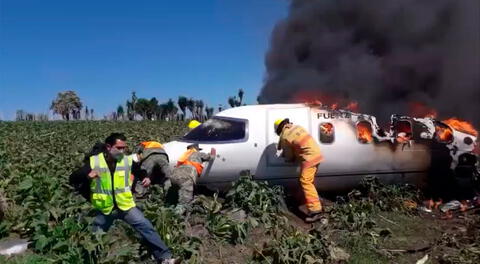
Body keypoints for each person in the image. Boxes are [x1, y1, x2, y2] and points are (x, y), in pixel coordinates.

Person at [70, 133, 177, 264]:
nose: (122, 151)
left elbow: (139, 170)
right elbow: (73, 178)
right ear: (108, 147)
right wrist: (88, 176)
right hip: (104, 208)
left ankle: (165, 258)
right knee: (94, 239)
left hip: (125, 205)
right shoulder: (94, 162)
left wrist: (145, 177)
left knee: (146, 226)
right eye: (119, 148)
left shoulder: (126, 161)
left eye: (124, 148)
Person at [274, 118, 324, 223]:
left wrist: (288, 158)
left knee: (305, 181)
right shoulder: (297, 127)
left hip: (309, 157)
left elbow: (289, 156)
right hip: (316, 154)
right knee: (308, 181)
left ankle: (316, 211)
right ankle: (314, 203)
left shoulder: (285, 136)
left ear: (279, 130)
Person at [170, 143, 213, 214]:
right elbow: (210, 157)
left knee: (175, 197)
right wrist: (212, 153)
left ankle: (171, 208)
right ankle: (174, 219)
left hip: (174, 176)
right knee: (184, 203)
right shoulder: (198, 154)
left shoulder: (184, 155)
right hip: (185, 177)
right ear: (196, 149)